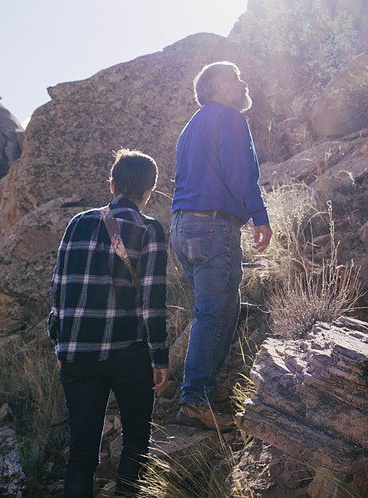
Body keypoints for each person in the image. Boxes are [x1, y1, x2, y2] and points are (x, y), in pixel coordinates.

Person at [47, 148, 169, 497]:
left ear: (112, 184)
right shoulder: (149, 229)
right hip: (127, 353)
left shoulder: (77, 222)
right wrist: (160, 358)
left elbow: (58, 286)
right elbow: (153, 301)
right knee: (136, 441)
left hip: (76, 352)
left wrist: (60, 340)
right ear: (149, 191)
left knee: (82, 450)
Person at [170, 61, 272, 431]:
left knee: (218, 311)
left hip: (182, 228)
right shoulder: (230, 118)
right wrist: (259, 215)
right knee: (215, 315)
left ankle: (202, 396)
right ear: (214, 87)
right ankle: (195, 399)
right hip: (214, 227)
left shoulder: (189, 128)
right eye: (235, 78)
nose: (243, 82)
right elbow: (240, 171)